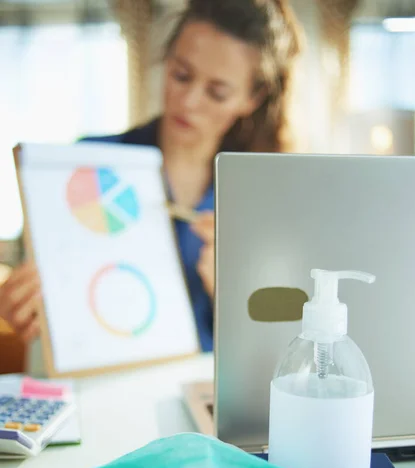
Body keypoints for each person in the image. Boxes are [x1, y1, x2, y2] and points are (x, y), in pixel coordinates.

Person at [0, 0, 302, 363]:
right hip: (99, 386)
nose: (188, 101)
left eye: (216, 92)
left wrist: (233, 296)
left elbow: (281, 349)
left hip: (206, 400)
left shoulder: (264, 197)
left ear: (252, 98)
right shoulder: (87, 166)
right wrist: (20, 305)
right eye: (181, 74)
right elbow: (46, 295)